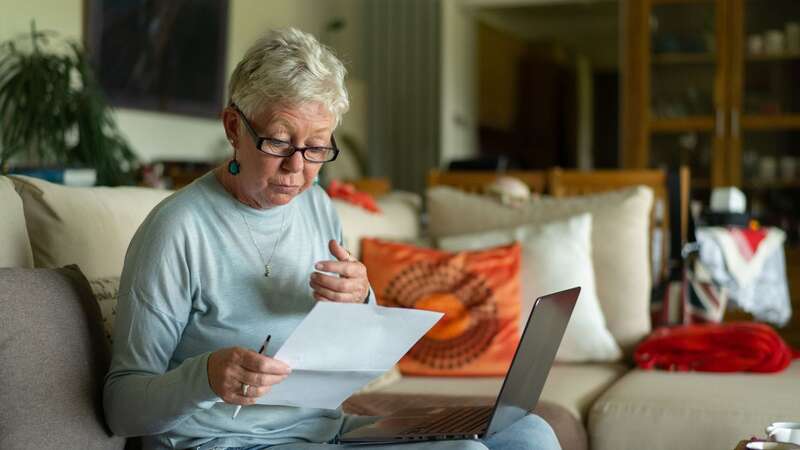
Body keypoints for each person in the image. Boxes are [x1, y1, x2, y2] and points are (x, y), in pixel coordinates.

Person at [103, 28, 562, 450]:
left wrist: (360, 299)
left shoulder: (317, 205)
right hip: (227, 443)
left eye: (317, 147)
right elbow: (121, 406)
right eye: (280, 142)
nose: (297, 168)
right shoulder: (176, 230)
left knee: (528, 431)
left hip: (322, 432)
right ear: (233, 128)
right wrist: (204, 378)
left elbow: (347, 354)